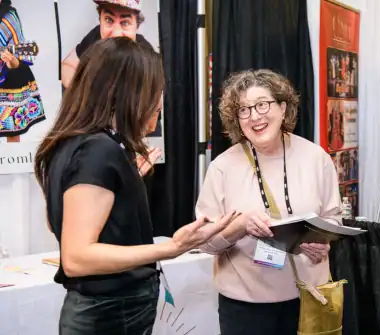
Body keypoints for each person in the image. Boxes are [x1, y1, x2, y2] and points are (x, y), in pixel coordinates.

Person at [34, 37, 235, 335]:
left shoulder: (73, 145)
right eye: (155, 90)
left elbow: (59, 224)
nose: (159, 102)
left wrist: (124, 186)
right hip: (111, 315)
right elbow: (77, 258)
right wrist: (172, 248)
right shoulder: (98, 151)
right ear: (129, 91)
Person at [195, 69, 342, 335]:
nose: (255, 116)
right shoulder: (222, 168)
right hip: (245, 310)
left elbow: (333, 218)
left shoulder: (316, 158)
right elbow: (205, 242)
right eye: (244, 110)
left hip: (308, 300)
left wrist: (322, 242)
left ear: (283, 108)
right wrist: (239, 226)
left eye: (262, 104)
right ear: (236, 120)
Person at [62, 0, 161, 175]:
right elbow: (68, 66)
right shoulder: (94, 40)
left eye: (124, 23)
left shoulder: (145, 58)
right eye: (108, 20)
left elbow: (150, 122)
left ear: (136, 25)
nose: (115, 32)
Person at [0, 0, 45, 143]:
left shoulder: (9, 19)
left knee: (12, 129)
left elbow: (18, 58)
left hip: (8, 80)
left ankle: (14, 159)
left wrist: (12, 62)